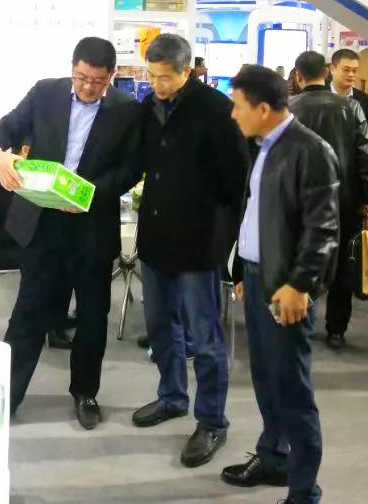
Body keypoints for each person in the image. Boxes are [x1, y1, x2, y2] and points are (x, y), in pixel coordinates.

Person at [0, 37, 141, 430]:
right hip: (43, 223)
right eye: (82, 78)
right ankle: (6, 395)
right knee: (29, 312)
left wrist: (89, 194)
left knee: (92, 317)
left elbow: (131, 168)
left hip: (91, 225)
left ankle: (85, 393)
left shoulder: (126, 110)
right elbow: (4, 127)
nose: (88, 87)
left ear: (111, 77)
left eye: (98, 81)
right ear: (72, 69)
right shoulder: (45, 93)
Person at [222, 65, 339, 504]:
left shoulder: (310, 151)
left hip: (286, 287)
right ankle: (273, 458)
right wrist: (242, 270)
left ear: (263, 109)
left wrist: (299, 285)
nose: (233, 114)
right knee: (267, 379)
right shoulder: (263, 146)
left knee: (292, 390)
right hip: (258, 278)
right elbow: (256, 213)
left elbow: (322, 228)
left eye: (238, 106)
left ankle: (304, 492)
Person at [131, 34, 248, 469]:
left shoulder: (217, 110)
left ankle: (212, 421)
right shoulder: (149, 107)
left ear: (186, 71)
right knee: (161, 326)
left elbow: (236, 182)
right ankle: (172, 396)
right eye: (151, 76)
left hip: (199, 243)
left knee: (205, 336)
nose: (156, 85)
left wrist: (224, 239)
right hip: (156, 238)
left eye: (164, 77)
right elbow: (140, 164)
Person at [290, 51, 368, 348]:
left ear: (298, 76)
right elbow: (365, 155)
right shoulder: (352, 109)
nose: (351, 74)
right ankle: (336, 330)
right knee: (341, 267)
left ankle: (299, 322)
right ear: (327, 72)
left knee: (302, 260)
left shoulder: (288, 109)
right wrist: (367, 196)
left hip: (300, 201)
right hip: (343, 200)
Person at [0, 165, 76, 350]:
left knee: (59, 255)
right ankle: (53, 328)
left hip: (5, 242)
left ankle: (56, 320)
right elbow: (23, 223)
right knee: (57, 261)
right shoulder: (8, 181)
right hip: (0, 251)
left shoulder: (4, 175)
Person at [330, 48, 368, 137]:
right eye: (346, 70)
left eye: (355, 70)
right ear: (332, 69)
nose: (351, 74)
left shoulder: (365, 100)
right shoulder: (318, 96)